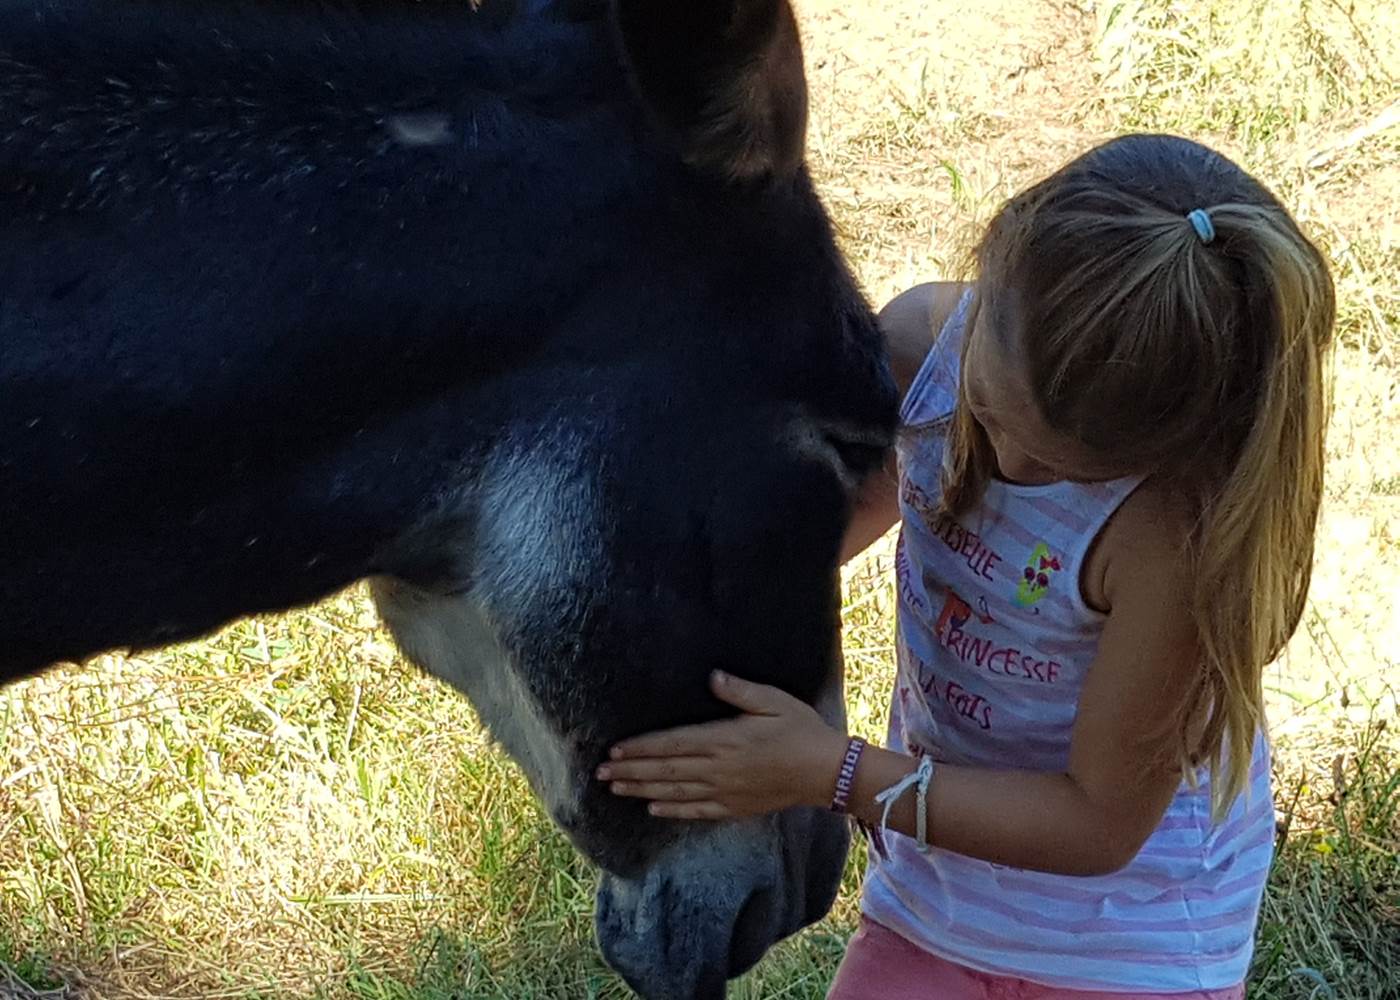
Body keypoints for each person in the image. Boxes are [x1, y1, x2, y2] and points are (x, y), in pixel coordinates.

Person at [594, 133, 1335, 997]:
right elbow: (807, 535)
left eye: (1061, 466)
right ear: (990, 286)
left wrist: (833, 772)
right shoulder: (924, 348)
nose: (1011, 466)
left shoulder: (1170, 532)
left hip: (1133, 939)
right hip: (938, 890)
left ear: (1160, 445)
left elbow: (1097, 823)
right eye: (991, 411)